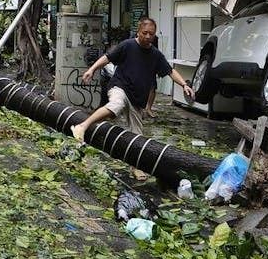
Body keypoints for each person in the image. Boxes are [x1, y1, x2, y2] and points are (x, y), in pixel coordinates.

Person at [72, 18, 194, 177]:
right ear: (138, 32)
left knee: (137, 138)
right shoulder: (127, 45)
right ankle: (82, 126)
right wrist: (92, 69)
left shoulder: (155, 54)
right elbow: (107, 57)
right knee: (117, 104)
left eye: (151, 34)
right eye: (145, 33)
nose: (148, 36)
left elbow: (170, 71)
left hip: (138, 100)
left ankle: (135, 167)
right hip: (120, 87)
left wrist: (184, 85)